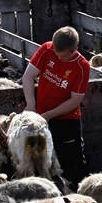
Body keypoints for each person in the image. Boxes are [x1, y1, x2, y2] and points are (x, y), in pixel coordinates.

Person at [21, 26, 90, 188]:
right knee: (39, 161)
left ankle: (79, 198)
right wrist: (31, 104)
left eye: (63, 56)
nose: (58, 58)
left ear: (74, 50)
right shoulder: (47, 49)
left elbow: (75, 101)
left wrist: (49, 115)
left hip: (66, 121)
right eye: (56, 54)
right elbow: (28, 76)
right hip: (40, 119)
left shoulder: (82, 66)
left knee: (72, 163)